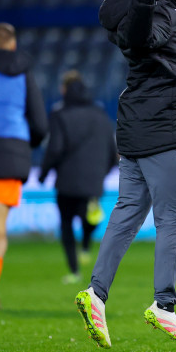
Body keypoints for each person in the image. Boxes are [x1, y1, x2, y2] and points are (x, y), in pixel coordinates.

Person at [75, 0, 176, 348]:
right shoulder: (163, 11)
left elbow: (132, 32)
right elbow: (143, 36)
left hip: (136, 129)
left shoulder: (140, 13)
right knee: (175, 219)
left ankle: (96, 294)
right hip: (166, 131)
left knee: (128, 211)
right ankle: (164, 304)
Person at [0, 22, 48, 309]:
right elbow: (39, 123)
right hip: (9, 156)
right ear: (13, 45)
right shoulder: (24, 73)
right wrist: (25, 144)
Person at [38, 70, 118, 284]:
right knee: (89, 215)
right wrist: (102, 173)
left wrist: (44, 173)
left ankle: (74, 270)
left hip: (67, 180)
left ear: (64, 89)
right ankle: (86, 244)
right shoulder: (101, 115)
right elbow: (113, 151)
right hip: (93, 181)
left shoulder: (59, 114)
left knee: (66, 224)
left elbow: (55, 148)